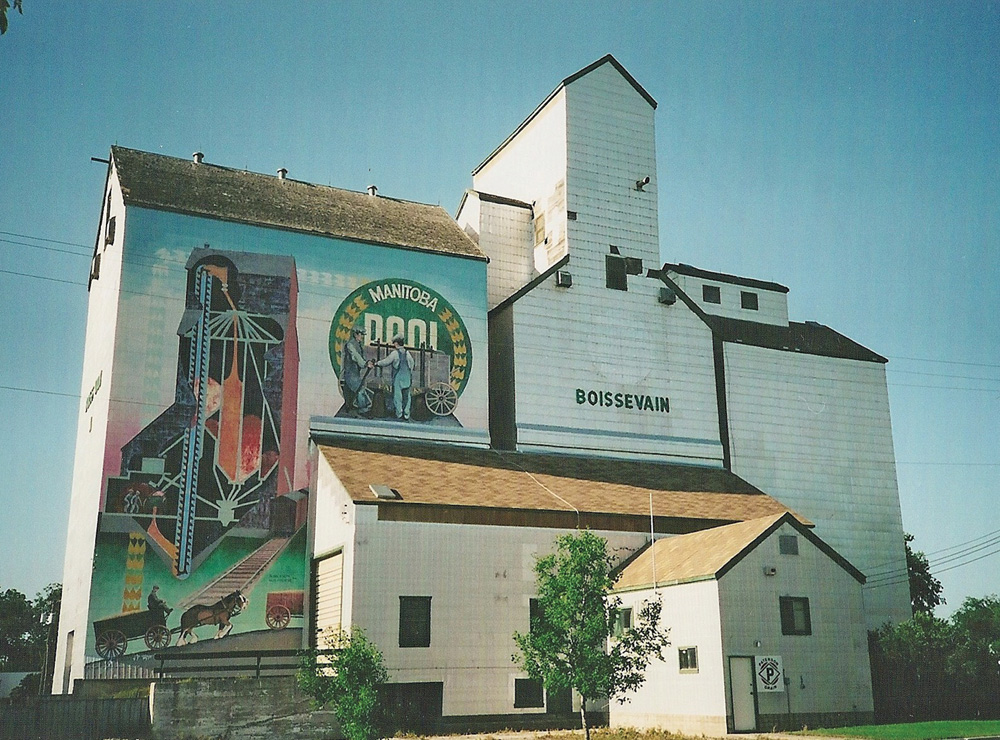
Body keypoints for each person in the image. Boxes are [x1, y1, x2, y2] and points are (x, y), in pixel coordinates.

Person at [375, 335, 415, 420]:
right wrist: (409, 373)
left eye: (394, 343)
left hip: (398, 377)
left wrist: (377, 363)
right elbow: (411, 364)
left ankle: (399, 413)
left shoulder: (395, 353)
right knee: (407, 395)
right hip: (407, 376)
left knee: (397, 396)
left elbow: (386, 361)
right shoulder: (407, 353)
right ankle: (407, 414)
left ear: (396, 344)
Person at [340, 325, 372, 415]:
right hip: (350, 373)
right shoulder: (350, 345)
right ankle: (364, 409)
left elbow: (362, 357)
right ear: (355, 334)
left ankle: (351, 408)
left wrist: (367, 362)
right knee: (360, 389)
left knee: (351, 391)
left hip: (355, 373)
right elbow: (356, 357)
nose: (362, 336)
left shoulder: (359, 345)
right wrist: (365, 364)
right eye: (361, 334)